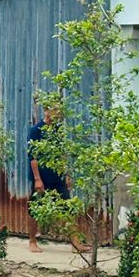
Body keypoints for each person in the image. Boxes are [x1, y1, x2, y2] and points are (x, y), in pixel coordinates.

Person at [27, 107, 90, 254]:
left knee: (68, 208)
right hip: (42, 177)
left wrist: (66, 174)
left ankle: (76, 244)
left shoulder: (57, 130)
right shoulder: (36, 130)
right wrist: (37, 179)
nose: (58, 114)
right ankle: (32, 241)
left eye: (59, 111)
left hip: (58, 176)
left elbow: (62, 154)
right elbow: (32, 157)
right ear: (46, 111)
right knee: (34, 209)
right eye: (55, 110)